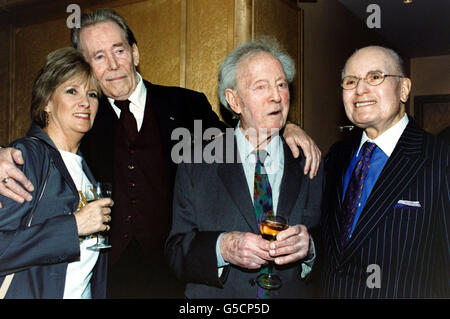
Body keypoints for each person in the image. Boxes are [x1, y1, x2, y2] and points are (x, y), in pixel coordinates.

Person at [0, 9, 321, 298]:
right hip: (104, 278)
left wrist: (286, 127)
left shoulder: (185, 105)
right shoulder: (85, 115)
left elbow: (240, 137)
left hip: (172, 278)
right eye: (98, 56)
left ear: (135, 52)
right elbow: (45, 138)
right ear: (85, 67)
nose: (112, 64)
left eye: (119, 50)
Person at [165, 38, 323, 298]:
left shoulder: (309, 159)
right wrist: (222, 248)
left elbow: (334, 246)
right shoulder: (196, 162)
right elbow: (175, 252)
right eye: (261, 87)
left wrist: (311, 248)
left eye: (281, 85)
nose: (276, 96)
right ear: (234, 101)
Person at [320, 46, 450, 298]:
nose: (360, 89)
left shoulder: (440, 160)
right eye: (350, 81)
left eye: (375, 77)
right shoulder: (335, 156)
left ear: (404, 89)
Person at [0, 47, 113, 298]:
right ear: (47, 102)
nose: (85, 102)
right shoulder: (25, 157)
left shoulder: (86, 171)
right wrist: (73, 226)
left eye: (92, 94)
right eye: (72, 91)